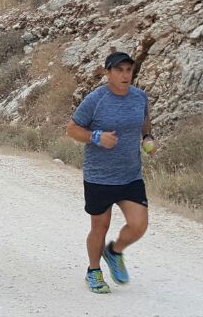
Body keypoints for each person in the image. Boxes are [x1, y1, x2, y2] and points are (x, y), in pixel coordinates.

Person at [65, 51, 155, 294]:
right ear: (108, 73)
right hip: (99, 176)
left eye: (128, 70)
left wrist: (147, 137)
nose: (125, 75)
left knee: (139, 225)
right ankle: (93, 271)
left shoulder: (139, 97)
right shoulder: (96, 100)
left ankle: (114, 252)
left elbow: (144, 120)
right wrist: (96, 137)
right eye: (119, 70)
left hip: (130, 175)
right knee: (100, 226)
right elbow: (72, 129)